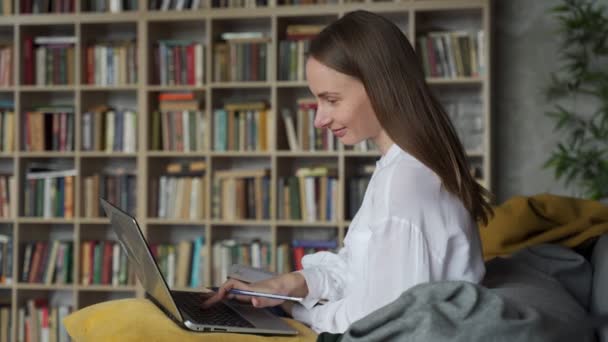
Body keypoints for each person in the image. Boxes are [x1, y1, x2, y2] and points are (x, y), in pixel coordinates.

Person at [203, 9, 493, 334]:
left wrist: (294, 312)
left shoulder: (405, 185)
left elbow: (378, 322)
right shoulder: (399, 167)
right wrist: (290, 283)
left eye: (331, 100)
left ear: (380, 87)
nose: (319, 120)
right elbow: (363, 271)